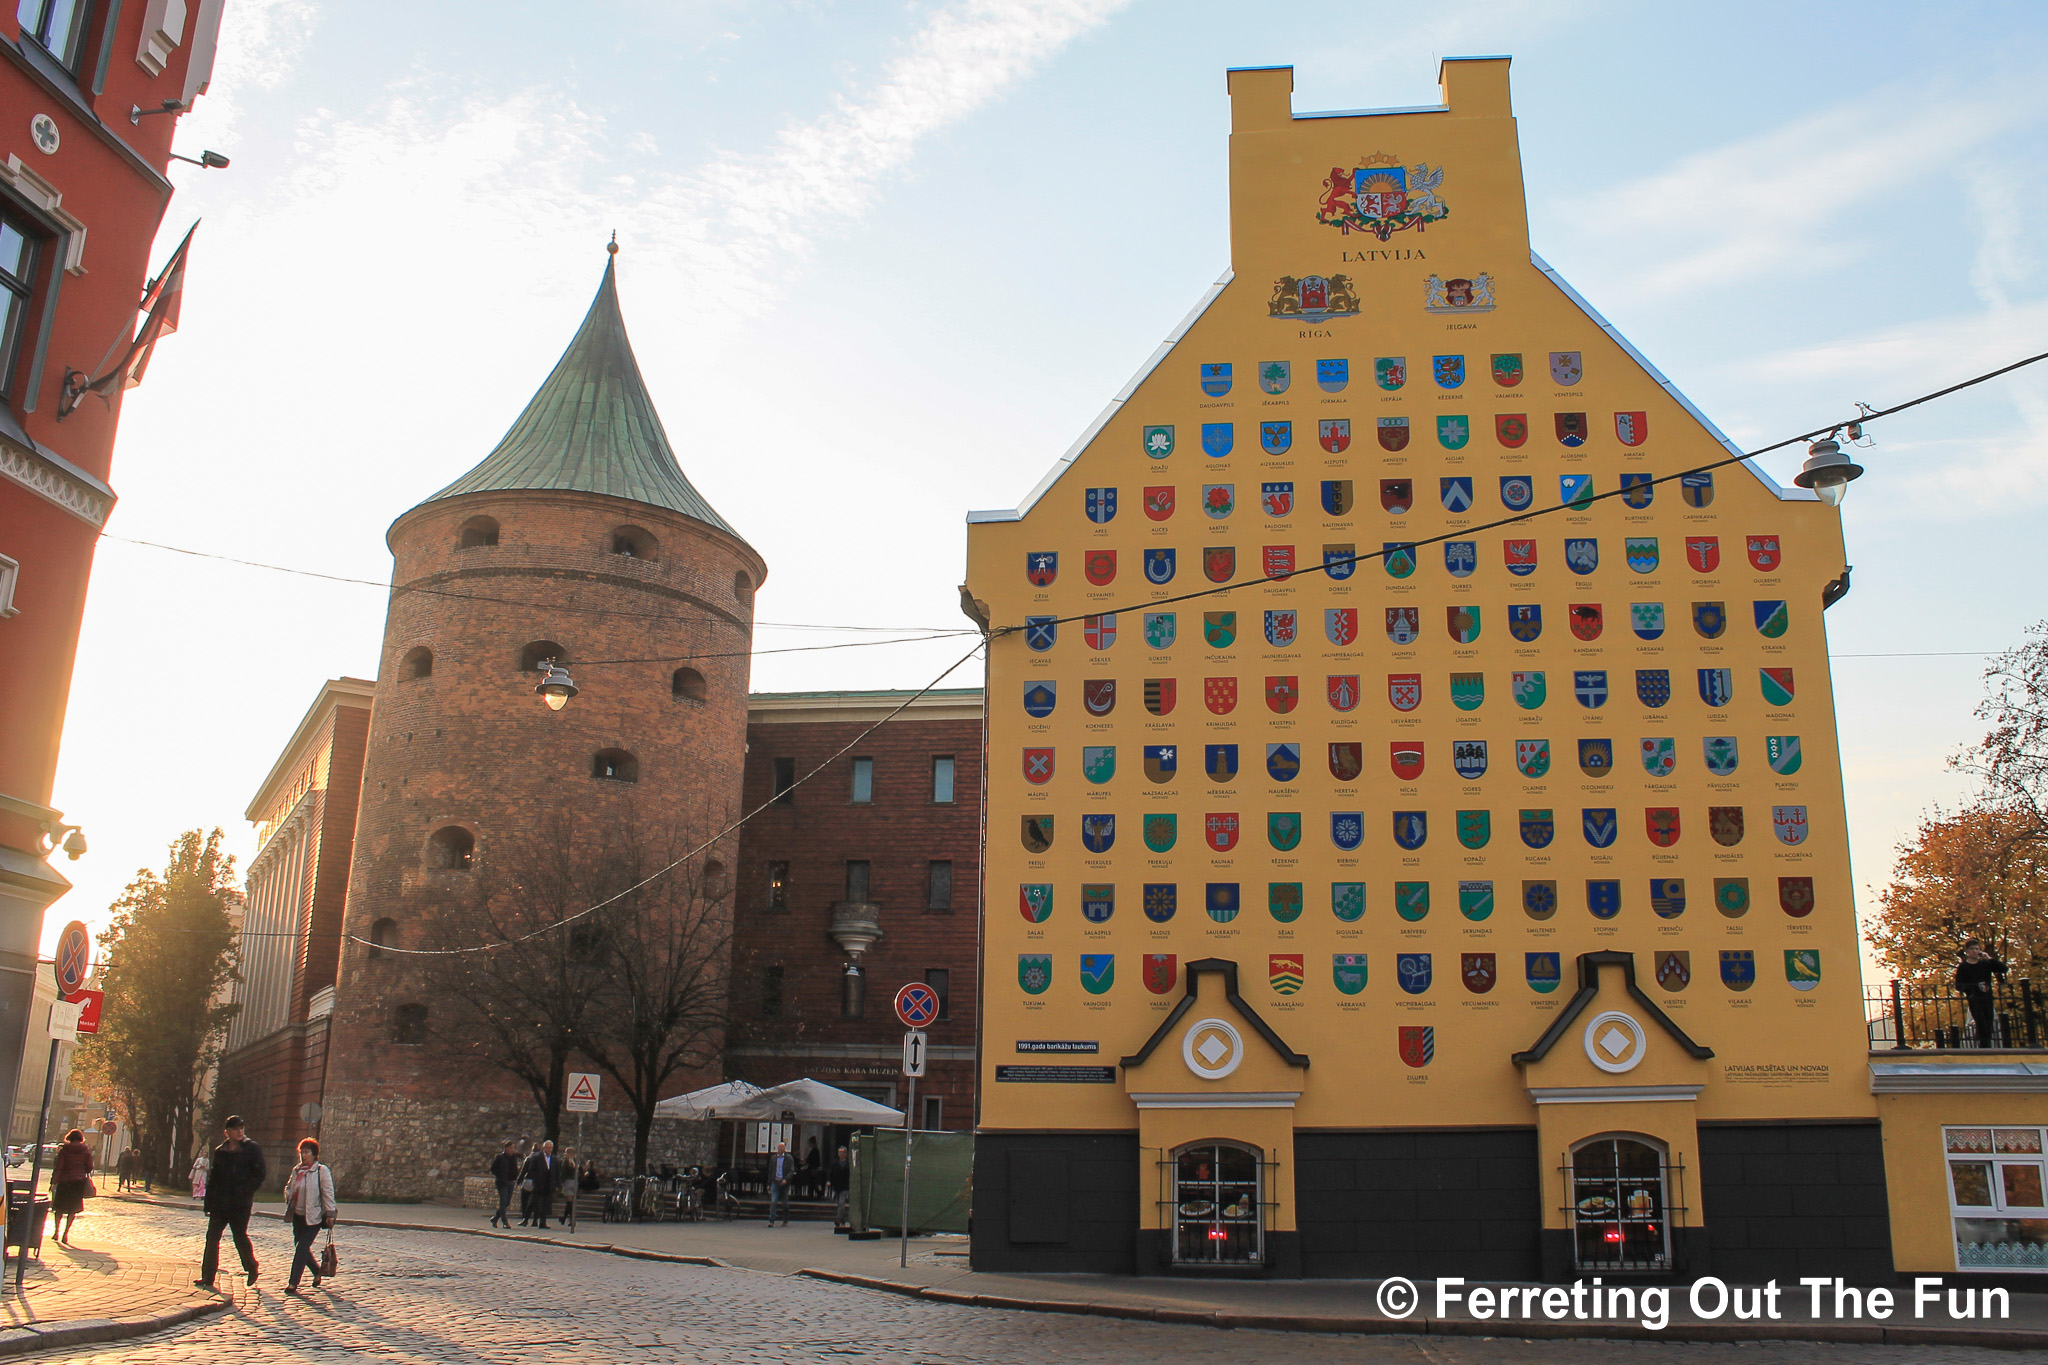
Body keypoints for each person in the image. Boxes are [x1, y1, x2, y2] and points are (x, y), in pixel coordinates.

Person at [196, 1115, 266, 1291]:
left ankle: (251, 1267)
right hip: (220, 1203)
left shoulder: (252, 1149)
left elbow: (259, 1174)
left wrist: (244, 1190)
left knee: (239, 1237)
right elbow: (214, 1178)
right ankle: (208, 1276)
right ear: (227, 1132)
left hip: (240, 1204)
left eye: (242, 1128)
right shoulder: (221, 1151)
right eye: (236, 1129)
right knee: (212, 1238)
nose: (240, 1132)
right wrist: (208, 1203)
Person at [282, 1137, 337, 1294]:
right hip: (298, 1215)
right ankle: (317, 1271)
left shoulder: (321, 1171)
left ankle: (293, 1283)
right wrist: (288, 1195)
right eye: (301, 1152)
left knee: (301, 1248)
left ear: (314, 1154)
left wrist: (330, 1213)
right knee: (301, 1248)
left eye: (306, 1152)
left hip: (314, 1217)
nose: (303, 1156)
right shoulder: (297, 1170)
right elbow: (289, 1186)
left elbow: (328, 1193)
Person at [1956, 938, 2009, 1047]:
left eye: (1977, 949)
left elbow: (2004, 969)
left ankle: (1987, 1045)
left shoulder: (1985, 964)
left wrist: (1989, 959)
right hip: (1974, 998)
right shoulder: (1963, 967)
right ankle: (1983, 1046)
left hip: (1987, 997)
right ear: (1967, 951)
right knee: (1981, 1023)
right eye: (1972, 949)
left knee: (1989, 1022)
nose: (1974, 951)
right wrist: (1975, 987)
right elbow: (1959, 986)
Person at [49, 1129, 93, 1244]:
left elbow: (59, 1167)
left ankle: (56, 1231)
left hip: (64, 1182)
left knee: (58, 1208)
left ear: (69, 1138)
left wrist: (53, 1182)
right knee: (72, 1210)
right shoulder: (86, 1151)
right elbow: (89, 1168)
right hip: (78, 1183)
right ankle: (65, 1234)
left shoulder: (64, 1151)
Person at [520, 1140, 558, 1230]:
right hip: (538, 1184)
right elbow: (531, 1170)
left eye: (551, 1148)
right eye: (548, 1148)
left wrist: (557, 1184)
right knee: (533, 1203)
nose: (550, 1150)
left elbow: (557, 1172)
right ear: (544, 1148)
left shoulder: (554, 1159)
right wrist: (536, 1179)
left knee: (545, 1204)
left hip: (548, 1185)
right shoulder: (537, 1158)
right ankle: (525, 1219)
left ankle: (542, 1223)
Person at [489, 1140, 520, 1228]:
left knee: (506, 1202)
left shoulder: (514, 1157)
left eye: (513, 1148)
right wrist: (500, 1176)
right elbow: (493, 1169)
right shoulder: (500, 1157)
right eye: (510, 1148)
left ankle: (495, 1218)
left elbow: (515, 1169)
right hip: (502, 1183)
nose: (512, 1150)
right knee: (503, 1202)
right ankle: (505, 1222)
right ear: (506, 1148)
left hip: (510, 1182)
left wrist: (515, 1178)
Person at [767, 1141, 793, 1226]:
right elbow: (770, 1171)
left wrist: (786, 1179)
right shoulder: (774, 1158)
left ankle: (785, 1219)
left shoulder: (789, 1158)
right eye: (779, 1147)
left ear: (785, 1148)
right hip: (775, 1182)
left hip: (784, 1183)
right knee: (774, 1201)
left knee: (785, 1203)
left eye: (782, 1147)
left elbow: (791, 1170)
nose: (780, 1149)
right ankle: (771, 1220)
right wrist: (768, 1183)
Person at [829, 1146, 851, 1231]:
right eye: (840, 1152)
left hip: (845, 1186)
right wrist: (829, 1181)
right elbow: (831, 1173)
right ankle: (842, 1219)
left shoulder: (849, 1164)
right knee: (839, 1204)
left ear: (846, 1153)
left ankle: (838, 1220)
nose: (841, 1154)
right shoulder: (835, 1164)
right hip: (837, 1186)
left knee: (841, 1203)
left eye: (843, 1152)